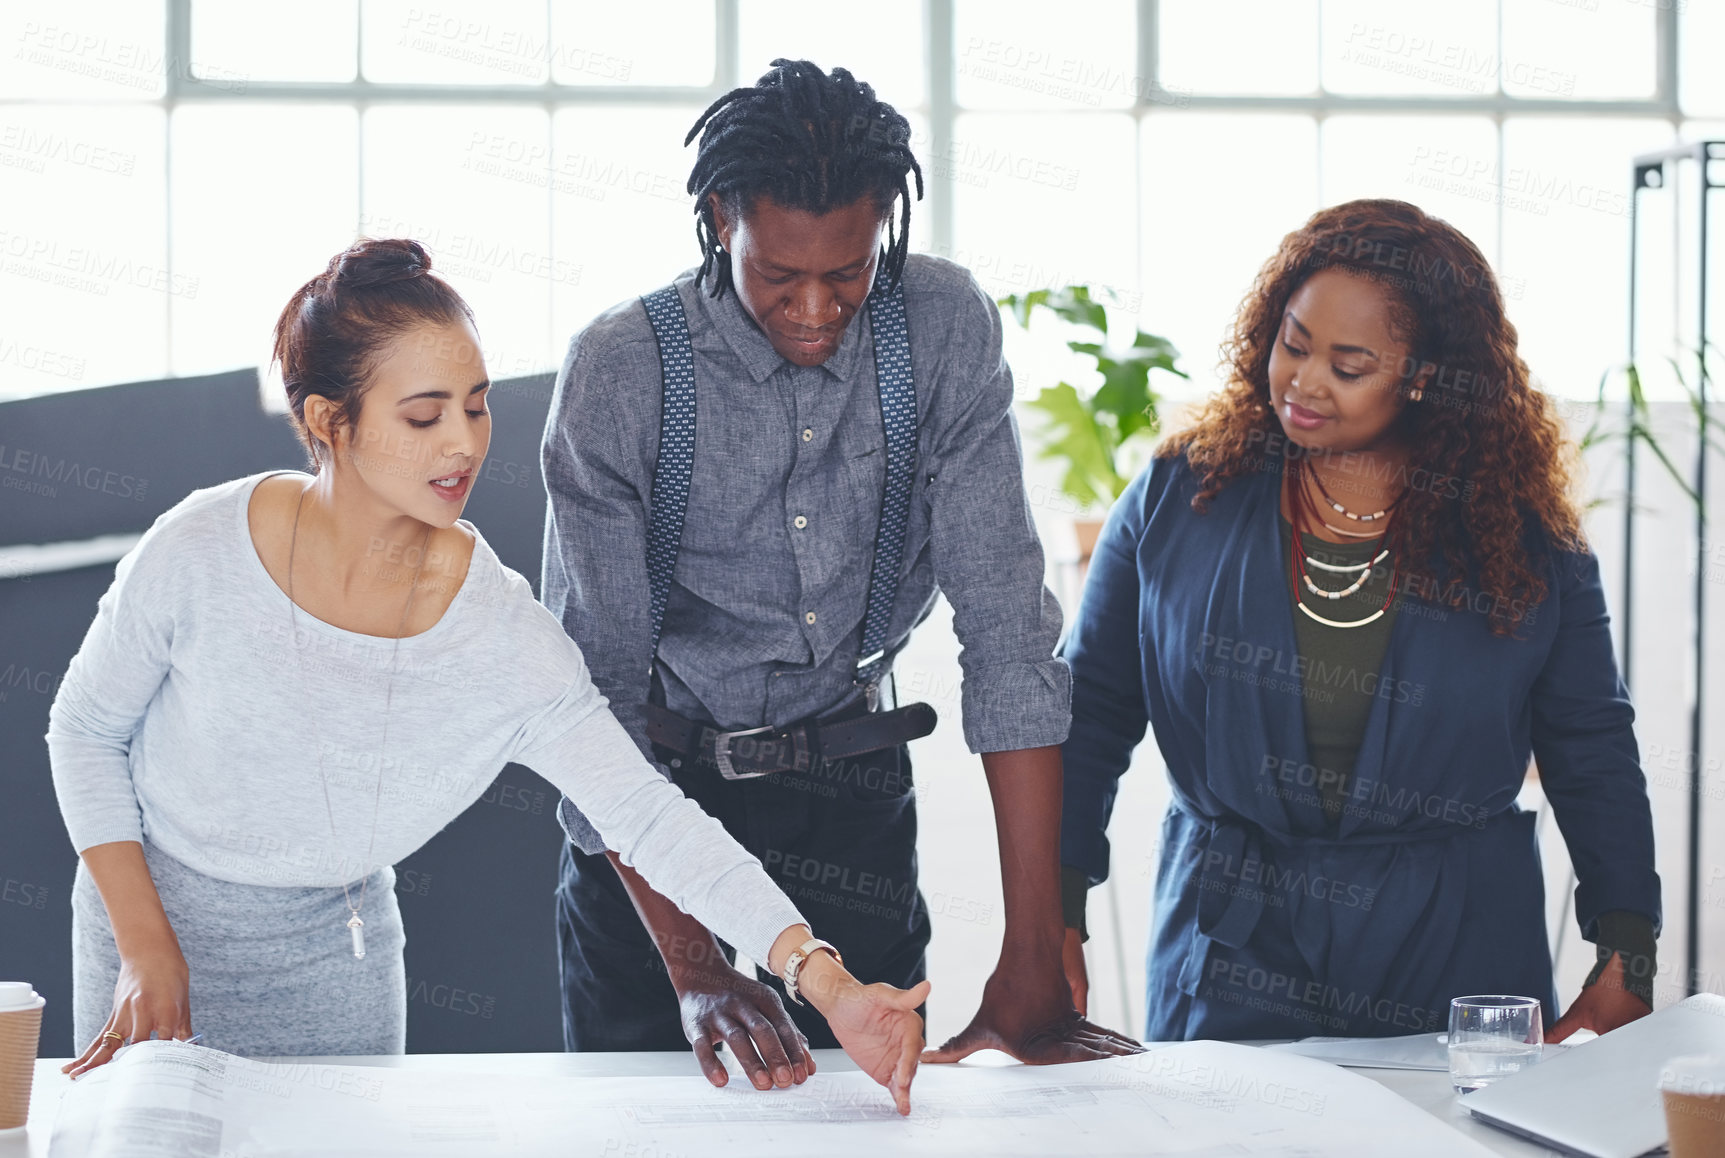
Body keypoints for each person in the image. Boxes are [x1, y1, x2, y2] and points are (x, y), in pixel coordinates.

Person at [47, 238, 930, 1114]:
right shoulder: (201, 547)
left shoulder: (500, 636)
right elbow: (84, 733)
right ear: (327, 421)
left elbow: (649, 816)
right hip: (144, 938)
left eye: (477, 407)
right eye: (424, 417)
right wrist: (145, 948)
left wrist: (826, 980)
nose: (464, 444)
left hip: (336, 961)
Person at [543, 58, 1140, 1087]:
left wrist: (1034, 954)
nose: (817, 307)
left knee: (863, 1125)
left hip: (851, 800)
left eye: (850, 272)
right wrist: (697, 969)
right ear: (719, 215)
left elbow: (1007, 637)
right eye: (779, 275)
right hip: (653, 811)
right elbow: (592, 701)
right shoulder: (622, 370)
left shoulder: (944, 328)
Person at [1057, 199, 1661, 1042]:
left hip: (1454, 940)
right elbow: (1088, 714)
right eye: (1292, 344)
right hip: (1230, 940)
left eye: (1348, 366)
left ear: (1422, 376)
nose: (1302, 384)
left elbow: (1589, 742)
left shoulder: (1519, 536)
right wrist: (1055, 907)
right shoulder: (1177, 498)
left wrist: (1625, 943)